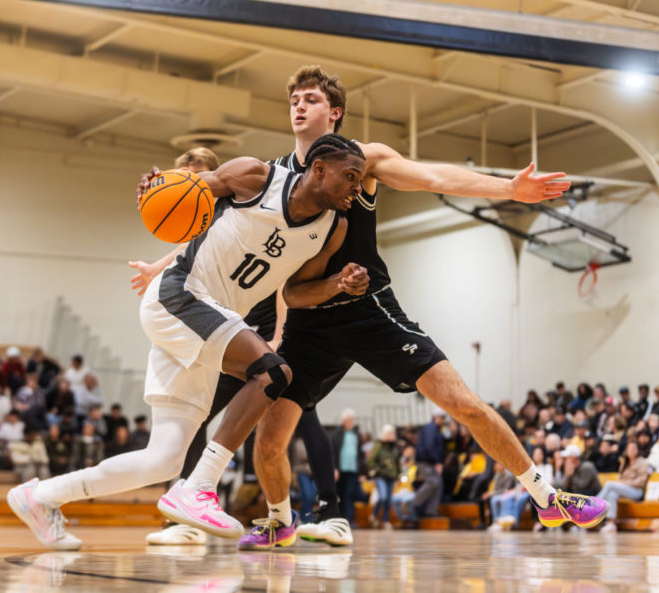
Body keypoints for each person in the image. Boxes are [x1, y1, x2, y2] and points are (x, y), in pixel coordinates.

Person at [238, 65, 602, 551]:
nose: (299, 106)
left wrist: (507, 189)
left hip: (371, 310)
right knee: (269, 439)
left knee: (462, 403)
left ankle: (545, 495)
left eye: (311, 99)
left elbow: (434, 175)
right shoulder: (277, 176)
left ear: (335, 111)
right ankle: (279, 521)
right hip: (309, 317)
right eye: (294, 100)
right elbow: (271, 269)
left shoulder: (363, 160)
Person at [6, 134, 369, 551]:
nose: (357, 187)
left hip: (207, 321)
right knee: (273, 371)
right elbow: (189, 190)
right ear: (319, 170)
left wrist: (337, 284)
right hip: (180, 295)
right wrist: (157, 186)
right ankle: (200, 487)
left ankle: (40, 497)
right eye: (351, 176)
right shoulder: (257, 176)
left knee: (162, 459)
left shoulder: (332, 228)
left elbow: (295, 293)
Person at [133, 146, 350, 548]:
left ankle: (330, 509)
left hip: (266, 329)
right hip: (224, 326)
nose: (189, 182)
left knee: (301, 416)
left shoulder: (251, 204)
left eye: (193, 175)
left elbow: (286, 289)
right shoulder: (206, 220)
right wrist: (155, 265)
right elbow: (184, 247)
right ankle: (190, 506)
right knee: (200, 413)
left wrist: (280, 336)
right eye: (182, 176)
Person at [597, 439, 650, 532]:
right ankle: (611, 523)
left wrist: (624, 483)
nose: (631, 450)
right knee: (611, 495)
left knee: (609, 484)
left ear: (638, 450)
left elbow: (642, 481)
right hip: (625, 489)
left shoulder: (642, 462)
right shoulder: (624, 463)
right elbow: (620, 479)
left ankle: (593, 505)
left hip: (636, 491)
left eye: (634, 448)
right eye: (629, 448)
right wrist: (622, 483)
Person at [330, 409, 365, 527]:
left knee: (350, 494)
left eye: (352, 420)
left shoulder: (357, 435)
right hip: (340, 470)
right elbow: (333, 452)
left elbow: (360, 454)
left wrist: (362, 472)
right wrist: (334, 468)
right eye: (349, 420)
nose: (351, 422)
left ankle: (350, 518)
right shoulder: (336, 434)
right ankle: (340, 519)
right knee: (339, 494)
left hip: (353, 469)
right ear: (343, 421)